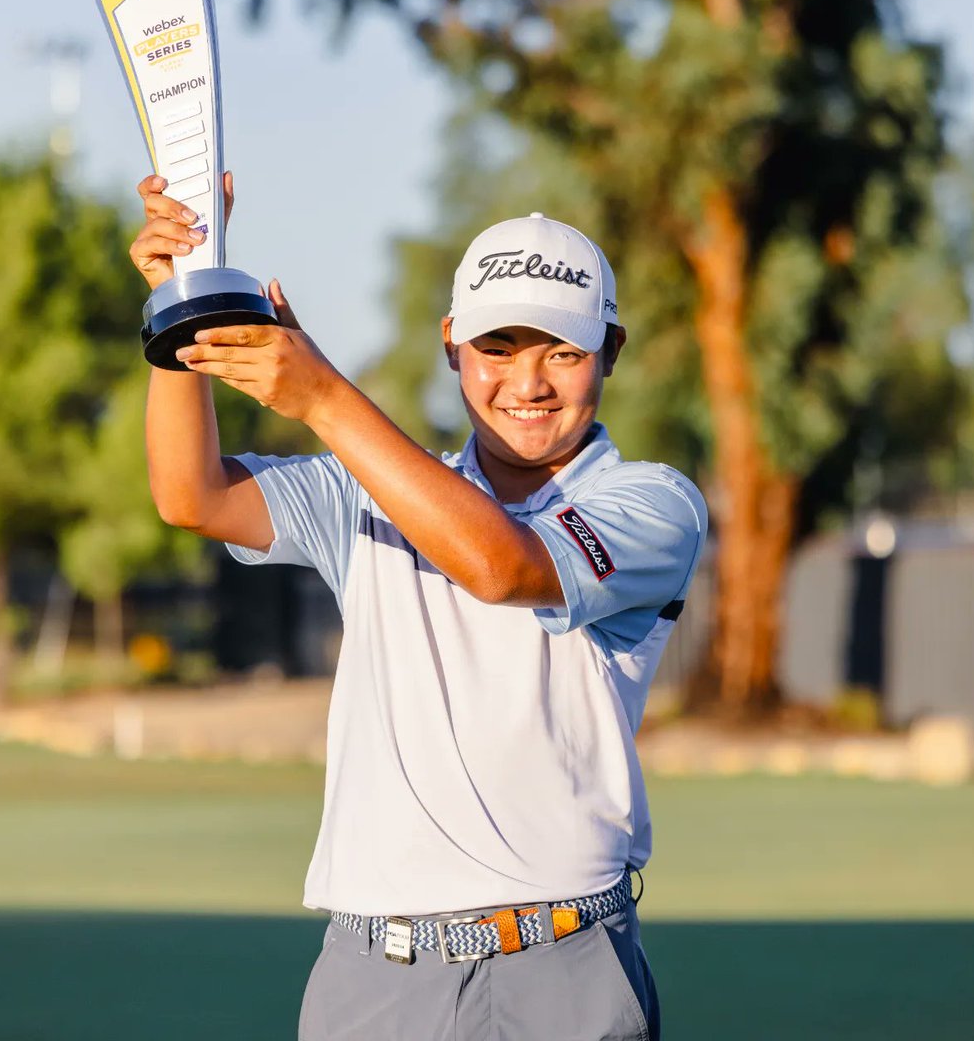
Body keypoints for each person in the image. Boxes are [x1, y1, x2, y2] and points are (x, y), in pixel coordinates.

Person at [134, 170, 708, 1041]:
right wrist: (185, 303)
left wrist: (322, 396)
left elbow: (503, 567)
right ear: (451, 345)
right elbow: (193, 496)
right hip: (372, 978)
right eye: (499, 347)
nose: (530, 382)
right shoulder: (361, 492)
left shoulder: (655, 505)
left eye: (563, 350)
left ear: (612, 351)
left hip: (561, 967)